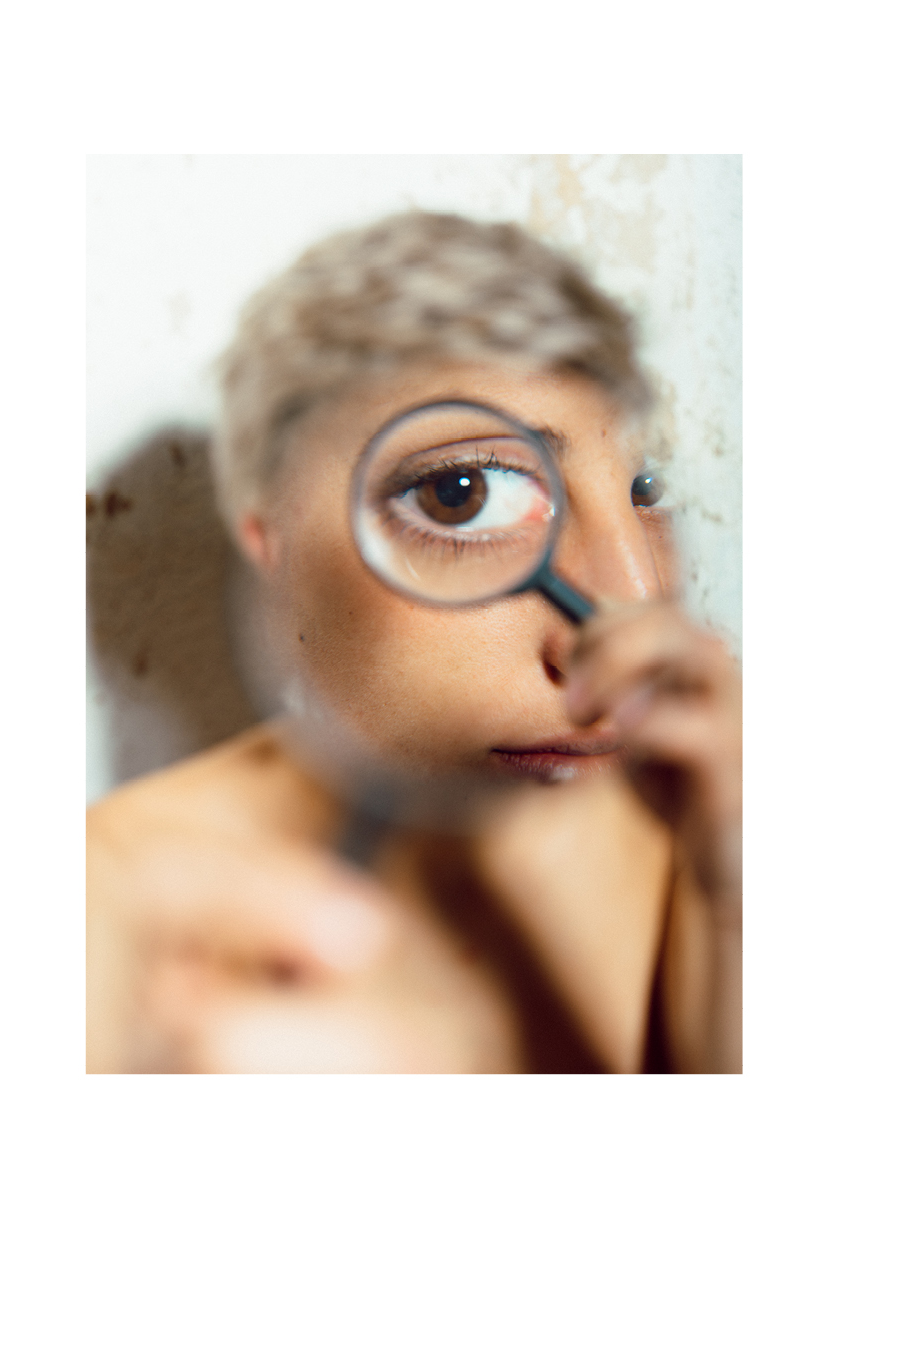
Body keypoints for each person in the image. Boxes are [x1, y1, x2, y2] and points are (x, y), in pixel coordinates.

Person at [86, 212, 741, 1072]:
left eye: (644, 490)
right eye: (462, 494)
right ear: (272, 546)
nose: (630, 611)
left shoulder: (711, 824)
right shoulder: (108, 906)